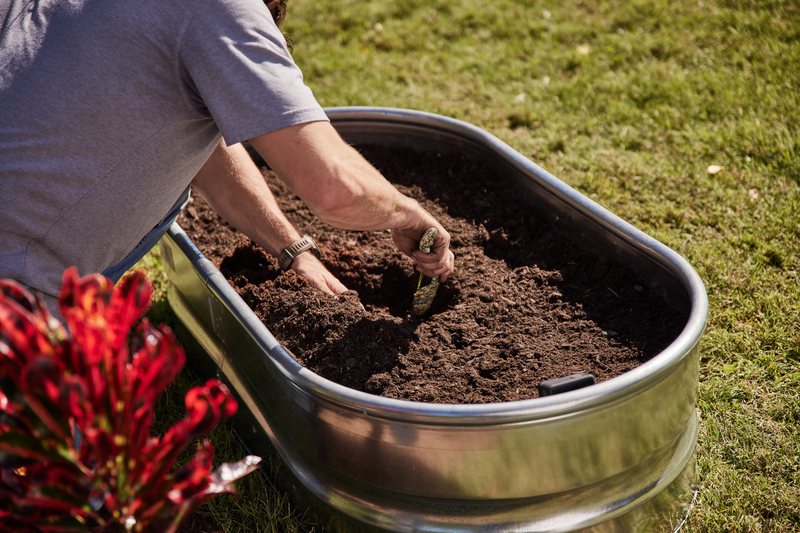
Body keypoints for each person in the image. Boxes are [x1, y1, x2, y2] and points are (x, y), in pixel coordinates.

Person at [0, 0, 454, 312]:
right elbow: (335, 186)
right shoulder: (218, 9)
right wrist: (408, 214)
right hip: (16, 295)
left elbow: (195, 143)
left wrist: (294, 251)